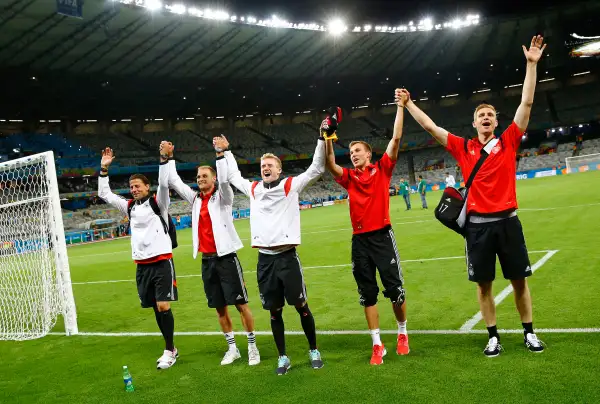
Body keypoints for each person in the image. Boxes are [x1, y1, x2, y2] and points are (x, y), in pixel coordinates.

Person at [399, 35, 548, 357]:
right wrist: (409, 104)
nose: (486, 118)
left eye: (490, 115)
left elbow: (527, 104)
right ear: (474, 122)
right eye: (481, 115)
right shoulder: (463, 147)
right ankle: (493, 336)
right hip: (478, 227)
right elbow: (430, 128)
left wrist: (531, 66)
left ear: (496, 121)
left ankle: (529, 333)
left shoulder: (508, 141)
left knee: (520, 281)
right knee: (484, 285)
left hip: (508, 222)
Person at [214, 133, 325, 375]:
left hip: (287, 257)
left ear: (279, 169)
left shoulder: (289, 185)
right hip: (265, 260)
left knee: (301, 306)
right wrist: (226, 151)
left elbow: (317, 167)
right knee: (274, 311)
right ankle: (283, 357)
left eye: (270, 165)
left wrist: (320, 138)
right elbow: (233, 176)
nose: (265, 168)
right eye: (263, 165)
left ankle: (313, 349)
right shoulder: (253, 189)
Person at [324, 90, 409, 365]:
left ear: (368, 153)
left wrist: (401, 106)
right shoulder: (349, 178)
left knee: (395, 291)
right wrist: (327, 138)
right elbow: (330, 164)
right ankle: (377, 344)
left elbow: (396, 139)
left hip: (383, 237)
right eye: (350, 152)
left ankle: (402, 332)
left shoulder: (383, 169)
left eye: (357, 151)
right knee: (367, 294)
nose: (353, 155)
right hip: (359, 241)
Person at [162, 141, 260, 366]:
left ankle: (252, 347)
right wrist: (168, 158)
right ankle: (232, 348)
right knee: (219, 308)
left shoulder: (223, 197)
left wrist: (221, 153)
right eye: (198, 176)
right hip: (207, 261)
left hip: (226, 258)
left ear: (213, 178)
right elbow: (175, 181)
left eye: (204, 176)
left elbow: (226, 180)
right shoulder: (195, 199)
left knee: (241, 304)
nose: (200, 179)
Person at [98, 143, 178, 369]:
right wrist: (104, 169)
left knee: (163, 306)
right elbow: (104, 193)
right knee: (155, 307)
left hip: (162, 262)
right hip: (142, 266)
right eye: (131, 186)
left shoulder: (158, 203)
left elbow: (164, 184)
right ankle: (170, 347)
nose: (133, 189)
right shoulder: (130, 207)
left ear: (147, 187)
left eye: (137, 186)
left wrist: (164, 159)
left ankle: (169, 350)